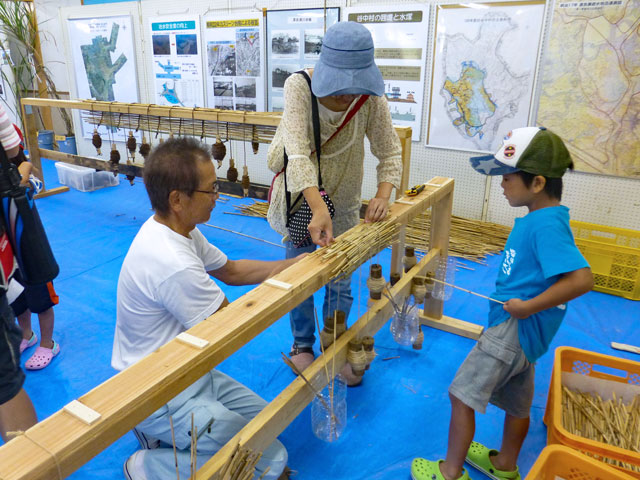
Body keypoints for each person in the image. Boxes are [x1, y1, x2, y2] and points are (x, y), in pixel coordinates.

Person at [410, 127, 594, 480]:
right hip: (526, 339)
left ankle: (449, 472)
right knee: (517, 403)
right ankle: (506, 464)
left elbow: (581, 279)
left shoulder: (545, 225)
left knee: (461, 396)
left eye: (508, 177)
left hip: (512, 330)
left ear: (537, 183)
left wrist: (527, 307)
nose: (502, 184)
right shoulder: (542, 220)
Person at [112, 137, 299, 480]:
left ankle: (166, 439)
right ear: (177, 199)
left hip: (188, 371)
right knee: (272, 461)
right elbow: (228, 325)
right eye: (211, 190)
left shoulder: (179, 229)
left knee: (270, 423)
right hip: (156, 393)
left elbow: (231, 271)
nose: (218, 197)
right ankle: (148, 465)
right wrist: (294, 290)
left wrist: (298, 265)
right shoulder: (172, 261)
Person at [267, 21, 403, 385]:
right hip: (300, 201)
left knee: (340, 279)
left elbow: (389, 149)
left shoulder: (369, 98)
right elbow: (296, 153)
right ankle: (301, 345)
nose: (347, 97)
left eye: (354, 88)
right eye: (342, 87)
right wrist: (316, 206)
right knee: (300, 274)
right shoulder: (300, 86)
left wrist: (382, 194)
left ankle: (335, 345)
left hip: (343, 200)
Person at [0, 103, 37, 441]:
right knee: (5, 379)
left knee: (31, 290)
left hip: (15, 250)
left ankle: (34, 335)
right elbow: (16, 159)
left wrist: (20, 177)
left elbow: (18, 159)